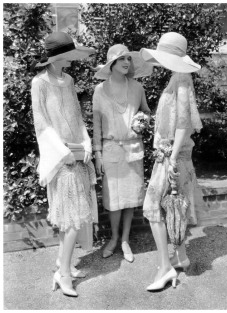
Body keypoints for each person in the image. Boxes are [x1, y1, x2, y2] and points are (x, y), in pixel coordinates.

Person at [31, 32, 97, 297]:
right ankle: (64, 274)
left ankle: (63, 262)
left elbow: (77, 117)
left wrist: (87, 142)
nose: (72, 58)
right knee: (70, 222)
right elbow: (41, 123)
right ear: (57, 57)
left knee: (73, 219)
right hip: (61, 160)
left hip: (78, 156)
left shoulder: (68, 80)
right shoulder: (40, 83)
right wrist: (62, 152)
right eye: (69, 54)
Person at [140, 32, 204, 291]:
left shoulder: (181, 79)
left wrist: (172, 158)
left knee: (154, 207)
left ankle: (165, 267)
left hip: (172, 155)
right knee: (175, 206)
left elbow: (182, 124)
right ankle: (181, 256)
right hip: (173, 154)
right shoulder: (178, 77)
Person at [92, 44, 153, 262]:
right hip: (110, 151)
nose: (127, 62)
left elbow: (146, 112)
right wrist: (97, 153)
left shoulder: (137, 87)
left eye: (128, 59)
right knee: (113, 199)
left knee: (130, 198)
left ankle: (126, 240)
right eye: (122, 60)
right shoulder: (99, 91)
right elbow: (96, 124)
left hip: (133, 149)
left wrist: (142, 122)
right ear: (112, 65)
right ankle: (114, 238)